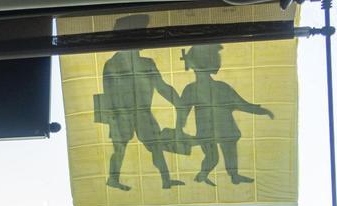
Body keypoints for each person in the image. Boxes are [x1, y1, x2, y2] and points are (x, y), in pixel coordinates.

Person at [97, 14, 184, 191]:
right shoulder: (112, 64)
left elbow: (162, 87)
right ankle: (113, 179)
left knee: (156, 147)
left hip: (143, 112)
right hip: (121, 114)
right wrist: (113, 118)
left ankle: (166, 179)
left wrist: (178, 102)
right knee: (120, 148)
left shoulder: (147, 63)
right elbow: (108, 94)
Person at [176, 43, 274, 186]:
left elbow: (242, 104)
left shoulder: (221, 87)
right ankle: (202, 175)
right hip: (206, 132)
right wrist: (179, 130)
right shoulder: (191, 90)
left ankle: (233, 175)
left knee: (229, 149)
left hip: (225, 128)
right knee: (212, 157)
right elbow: (182, 113)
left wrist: (261, 110)